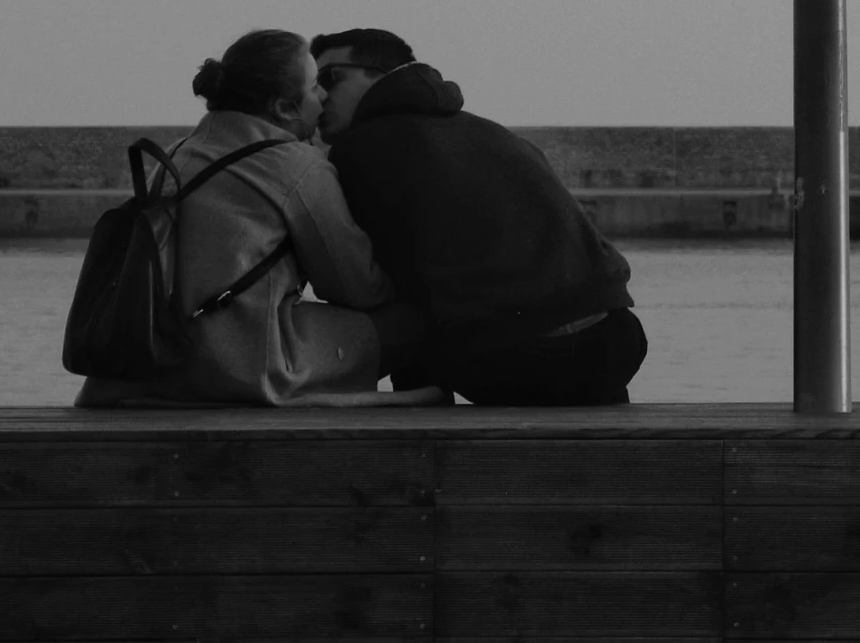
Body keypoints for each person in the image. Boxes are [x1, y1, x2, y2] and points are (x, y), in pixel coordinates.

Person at [75, 29, 435, 408]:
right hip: (242, 366)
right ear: (283, 108)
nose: (324, 97)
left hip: (151, 361)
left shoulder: (175, 156)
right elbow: (354, 285)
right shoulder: (295, 165)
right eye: (315, 87)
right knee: (414, 324)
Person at [312, 28, 645, 404]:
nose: (321, 94)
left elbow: (375, 284)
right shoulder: (490, 132)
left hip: (517, 362)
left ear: (379, 72)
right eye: (313, 84)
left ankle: (421, 446)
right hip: (617, 342)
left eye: (330, 78)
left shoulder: (363, 149)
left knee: (402, 311)